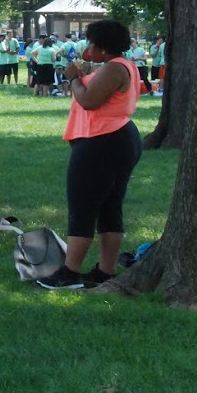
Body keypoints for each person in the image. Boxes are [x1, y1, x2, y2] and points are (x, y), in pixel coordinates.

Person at [37, 19, 143, 290]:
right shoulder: (123, 66)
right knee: (109, 207)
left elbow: (88, 100)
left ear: (104, 47)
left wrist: (73, 77)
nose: (89, 48)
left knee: (83, 207)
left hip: (101, 142)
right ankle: (105, 271)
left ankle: (70, 272)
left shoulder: (114, 68)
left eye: (93, 43)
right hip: (116, 139)